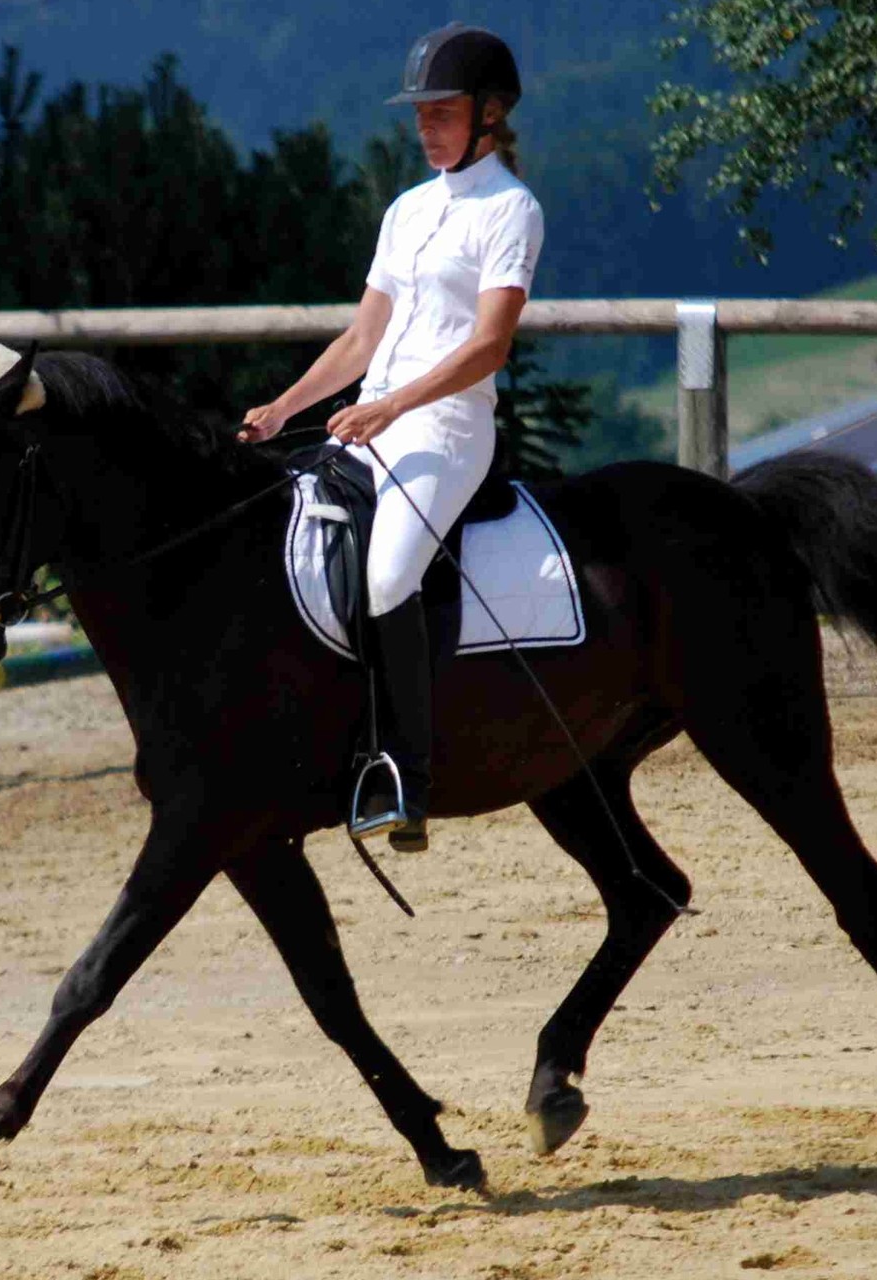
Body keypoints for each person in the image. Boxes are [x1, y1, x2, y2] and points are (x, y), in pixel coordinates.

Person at [240, 22, 544, 852]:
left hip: (446, 429)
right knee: (295, 543)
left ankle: (405, 770)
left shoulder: (511, 210)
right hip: (370, 420)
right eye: (420, 114)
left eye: (441, 112)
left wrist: (392, 408)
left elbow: (488, 346)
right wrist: (285, 407)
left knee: (385, 577)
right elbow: (359, 340)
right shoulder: (407, 210)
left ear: (489, 115)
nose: (424, 127)